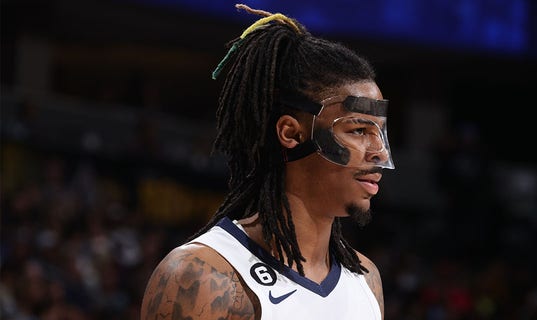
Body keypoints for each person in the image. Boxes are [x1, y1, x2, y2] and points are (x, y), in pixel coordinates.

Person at [141, 4, 394, 319]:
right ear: (291, 133)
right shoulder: (204, 276)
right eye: (358, 130)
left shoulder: (365, 280)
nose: (380, 152)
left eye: (380, 134)